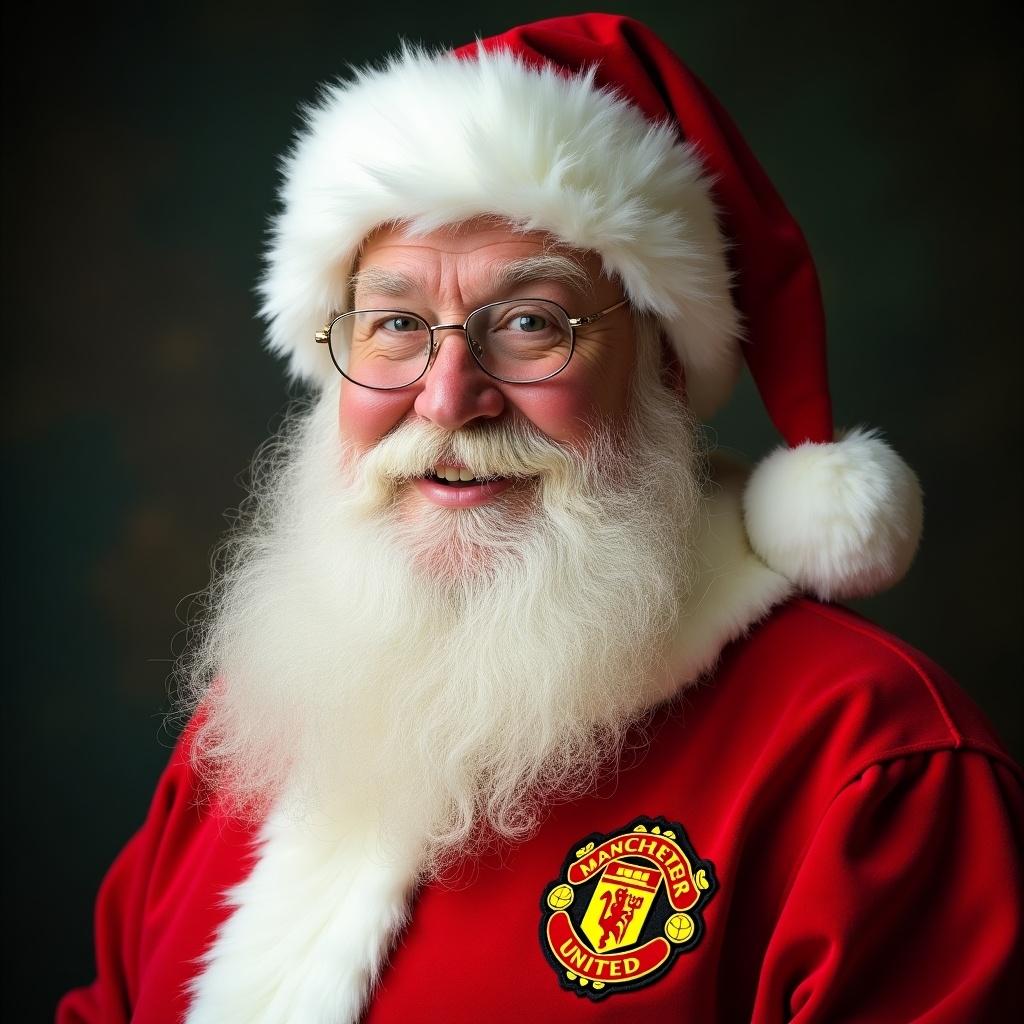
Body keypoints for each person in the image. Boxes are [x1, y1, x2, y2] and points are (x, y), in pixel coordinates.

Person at [59, 13, 1021, 1023]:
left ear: (661, 363)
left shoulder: (874, 765)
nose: (446, 397)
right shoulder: (258, 720)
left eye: (529, 322)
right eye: (393, 323)